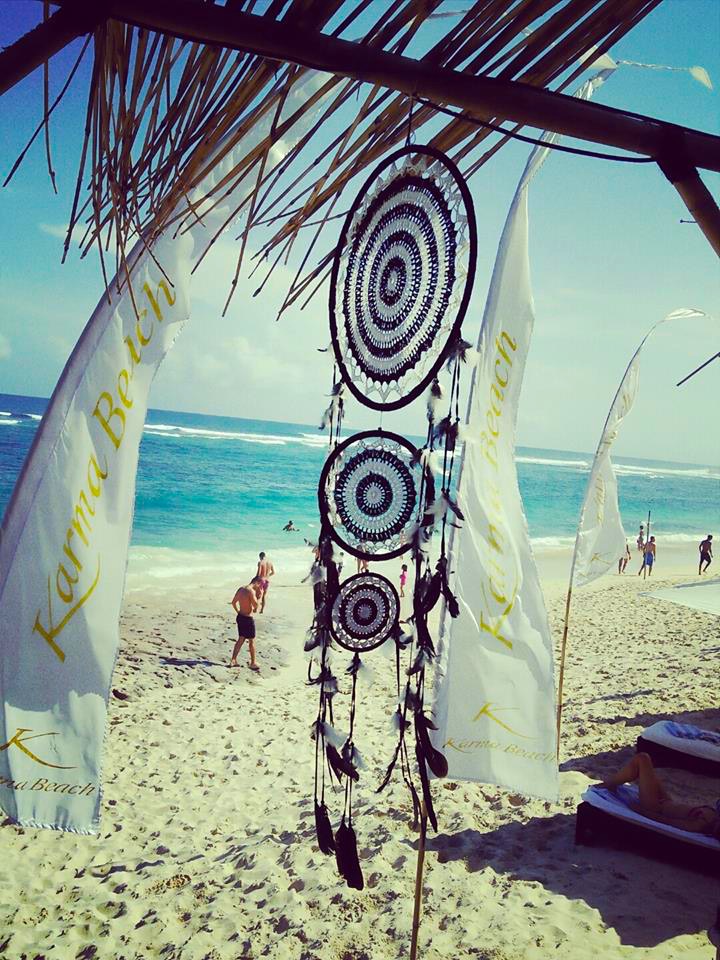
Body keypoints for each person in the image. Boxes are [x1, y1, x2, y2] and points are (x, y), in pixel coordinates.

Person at [600, 752, 719, 837]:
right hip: (666, 801)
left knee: (643, 759)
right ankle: (611, 782)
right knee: (646, 767)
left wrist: (640, 811)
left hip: (655, 807)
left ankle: (609, 784)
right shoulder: (714, 815)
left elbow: (668, 822)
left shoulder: (700, 824)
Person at [230, 580, 261, 670]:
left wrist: (238, 611)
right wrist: (259, 596)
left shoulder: (241, 589)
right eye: (259, 586)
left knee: (241, 639)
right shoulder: (251, 591)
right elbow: (255, 606)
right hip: (247, 619)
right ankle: (253, 663)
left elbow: (233, 602)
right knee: (251, 641)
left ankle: (233, 660)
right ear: (257, 583)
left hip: (240, 617)